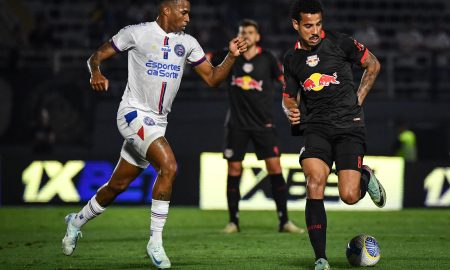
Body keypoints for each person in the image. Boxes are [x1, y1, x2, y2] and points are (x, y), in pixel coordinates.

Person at [61, 0, 247, 269]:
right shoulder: (136, 33)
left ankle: (75, 222)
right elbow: (95, 57)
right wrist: (96, 73)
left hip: (158, 122)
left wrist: (230, 56)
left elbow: (213, 79)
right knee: (169, 166)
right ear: (166, 11)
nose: (188, 17)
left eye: (189, 12)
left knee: (117, 185)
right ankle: (155, 241)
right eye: (183, 11)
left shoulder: (189, 43)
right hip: (132, 113)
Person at [282, 1, 386, 269]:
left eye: (318, 24)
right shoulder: (291, 59)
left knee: (349, 196)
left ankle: (366, 175)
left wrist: (358, 100)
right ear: (296, 25)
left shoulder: (341, 43)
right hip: (316, 127)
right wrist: (291, 110)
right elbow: (288, 99)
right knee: (314, 181)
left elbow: (373, 65)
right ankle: (321, 258)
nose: (315, 30)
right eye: (308, 25)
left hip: (349, 126)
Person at [208, 19, 304, 234]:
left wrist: (296, 100)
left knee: (275, 168)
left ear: (257, 36)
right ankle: (233, 221)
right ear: (238, 35)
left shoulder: (268, 58)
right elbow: (202, 61)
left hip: (263, 123)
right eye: (243, 32)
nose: (247, 36)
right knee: (234, 169)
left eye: (251, 32)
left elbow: (285, 82)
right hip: (236, 124)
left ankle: (284, 221)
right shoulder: (229, 55)